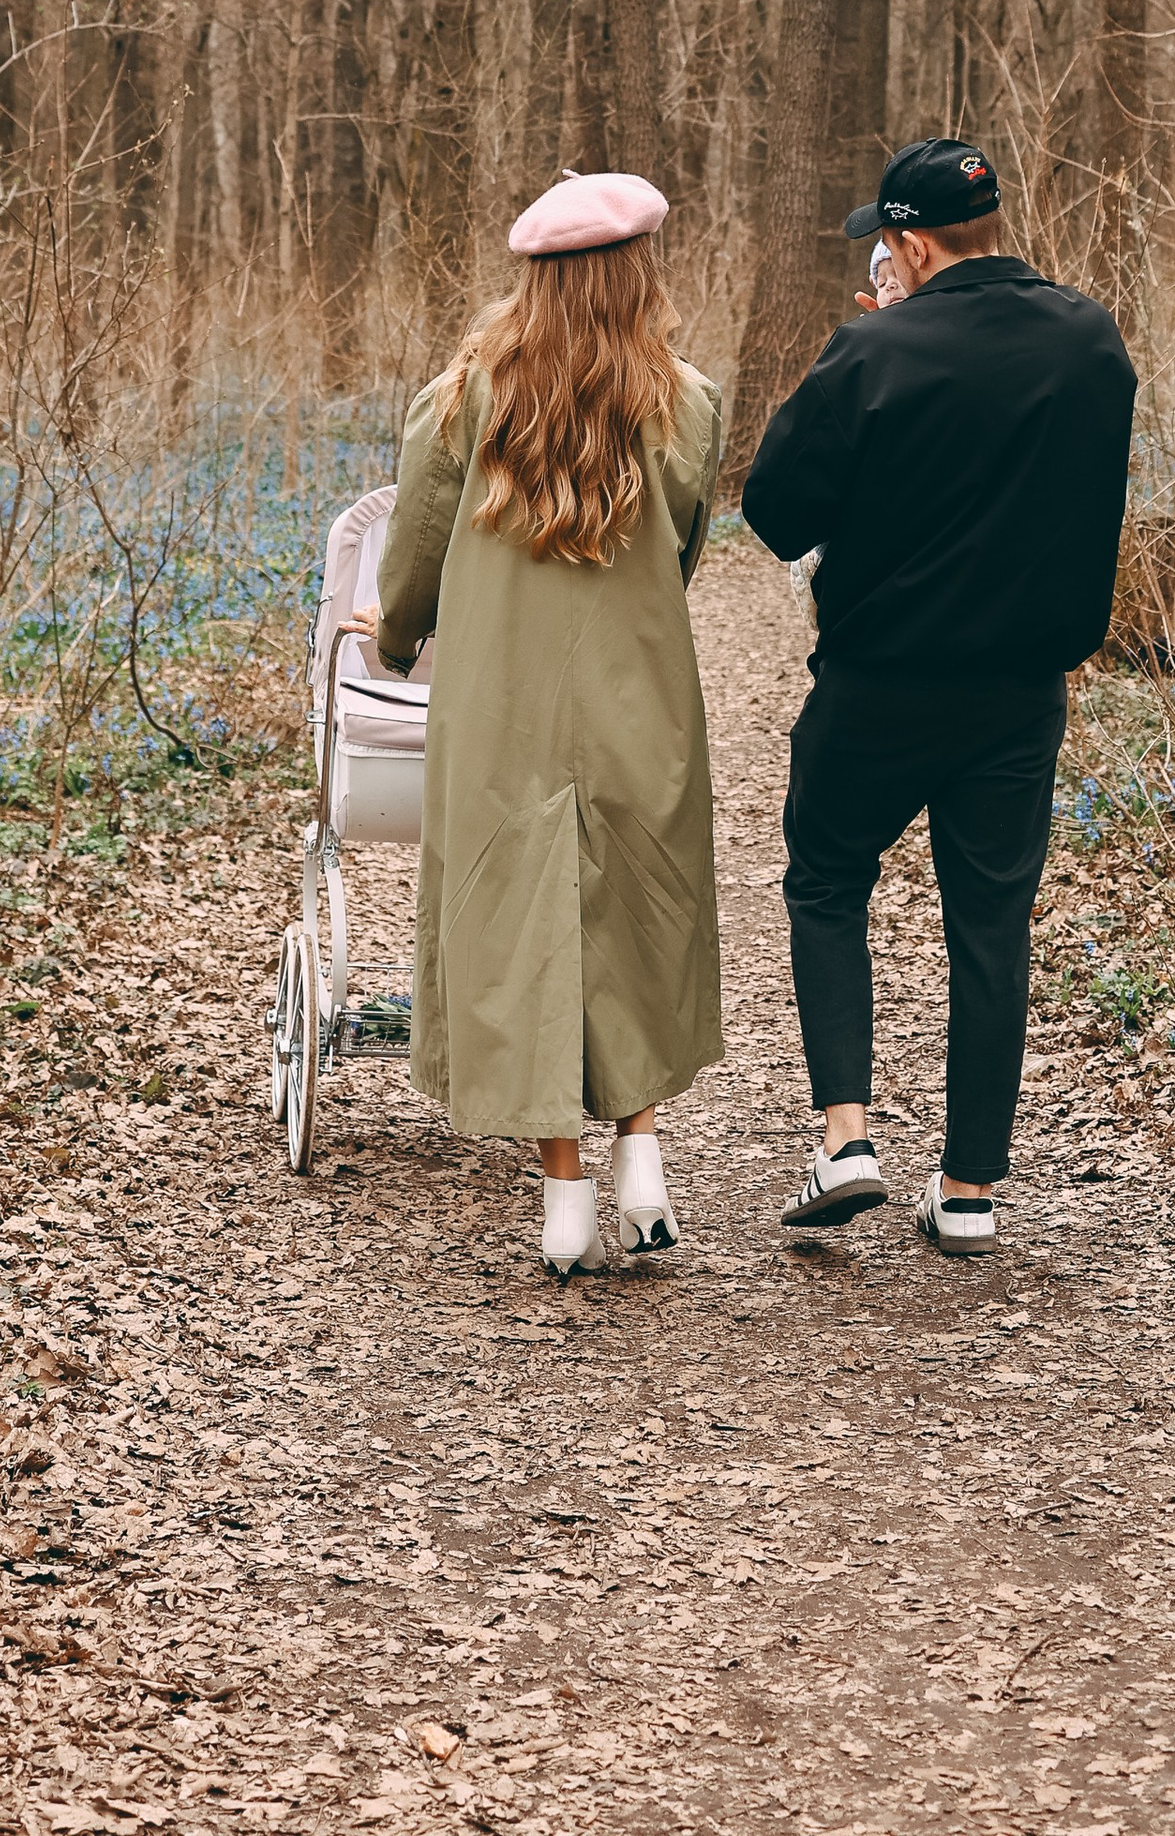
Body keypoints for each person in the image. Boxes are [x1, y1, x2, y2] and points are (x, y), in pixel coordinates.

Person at [741, 138, 1135, 1260]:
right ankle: (966, 1190)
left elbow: (774, 513)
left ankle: (847, 1137)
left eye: (886, 243)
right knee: (989, 928)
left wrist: (859, 345)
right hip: (1020, 692)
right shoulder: (1090, 338)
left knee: (824, 880)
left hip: (878, 680)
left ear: (908, 243)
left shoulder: (874, 350)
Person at [370, 172, 724, 1277]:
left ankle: (562, 1195)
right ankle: (643, 1154)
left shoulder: (463, 398)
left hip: (502, 711)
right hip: (638, 699)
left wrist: (391, 640)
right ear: (639, 272)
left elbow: (415, 560)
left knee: (522, 925)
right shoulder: (686, 403)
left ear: (531, 276)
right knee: (634, 912)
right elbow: (680, 552)